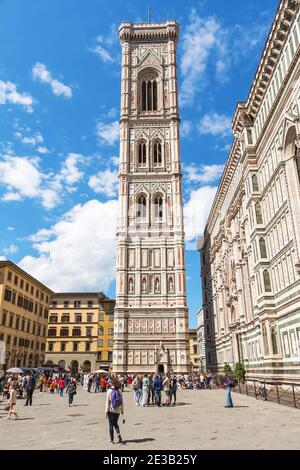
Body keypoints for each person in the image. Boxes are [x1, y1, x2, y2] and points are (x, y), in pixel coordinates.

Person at [105, 378, 124, 445]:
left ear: (112, 383)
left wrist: (106, 411)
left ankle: (112, 440)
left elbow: (107, 402)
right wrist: (122, 410)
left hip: (111, 409)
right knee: (115, 423)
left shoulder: (109, 391)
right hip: (118, 410)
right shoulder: (119, 390)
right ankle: (119, 437)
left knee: (111, 425)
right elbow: (122, 401)